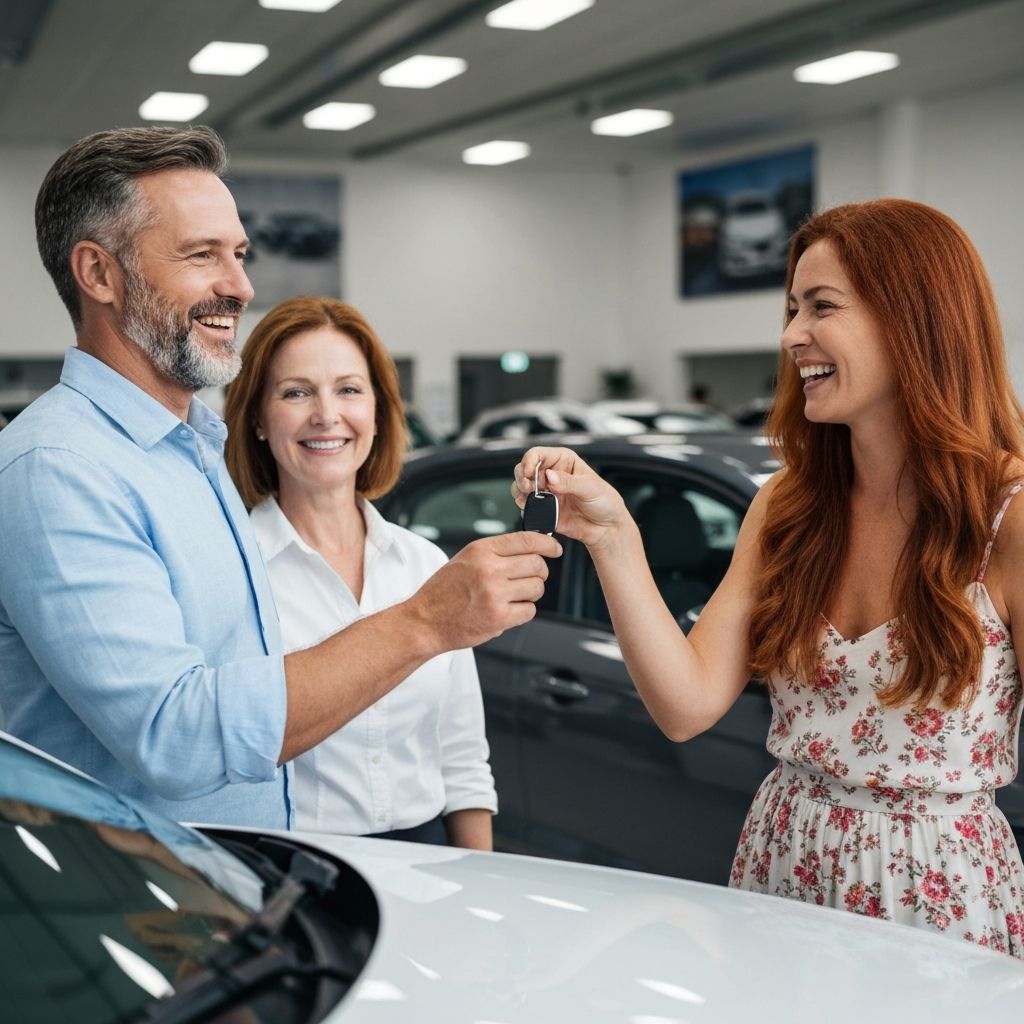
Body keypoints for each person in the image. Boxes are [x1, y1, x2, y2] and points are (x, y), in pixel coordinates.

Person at [0, 125, 558, 829]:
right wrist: (425, 620)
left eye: (238, 255)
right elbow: (178, 737)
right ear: (99, 274)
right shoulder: (59, 468)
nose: (240, 286)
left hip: (230, 896)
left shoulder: (189, 451)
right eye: (202, 256)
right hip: (141, 915)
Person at [513, 199, 1024, 958]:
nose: (791, 336)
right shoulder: (787, 505)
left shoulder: (1005, 515)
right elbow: (686, 706)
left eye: (821, 306)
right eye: (791, 308)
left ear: (915, 318)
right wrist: (614, 535)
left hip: (936, 895)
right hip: (784, 861)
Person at [223, 296, 496, 848]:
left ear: (377, 411)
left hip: (430, 862)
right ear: (256, 418)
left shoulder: (426, 566)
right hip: (288, 867)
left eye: (348, 389)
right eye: (296, 392)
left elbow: (462, 759)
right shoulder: (232, 570)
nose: (327, 414)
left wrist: (477, 882)